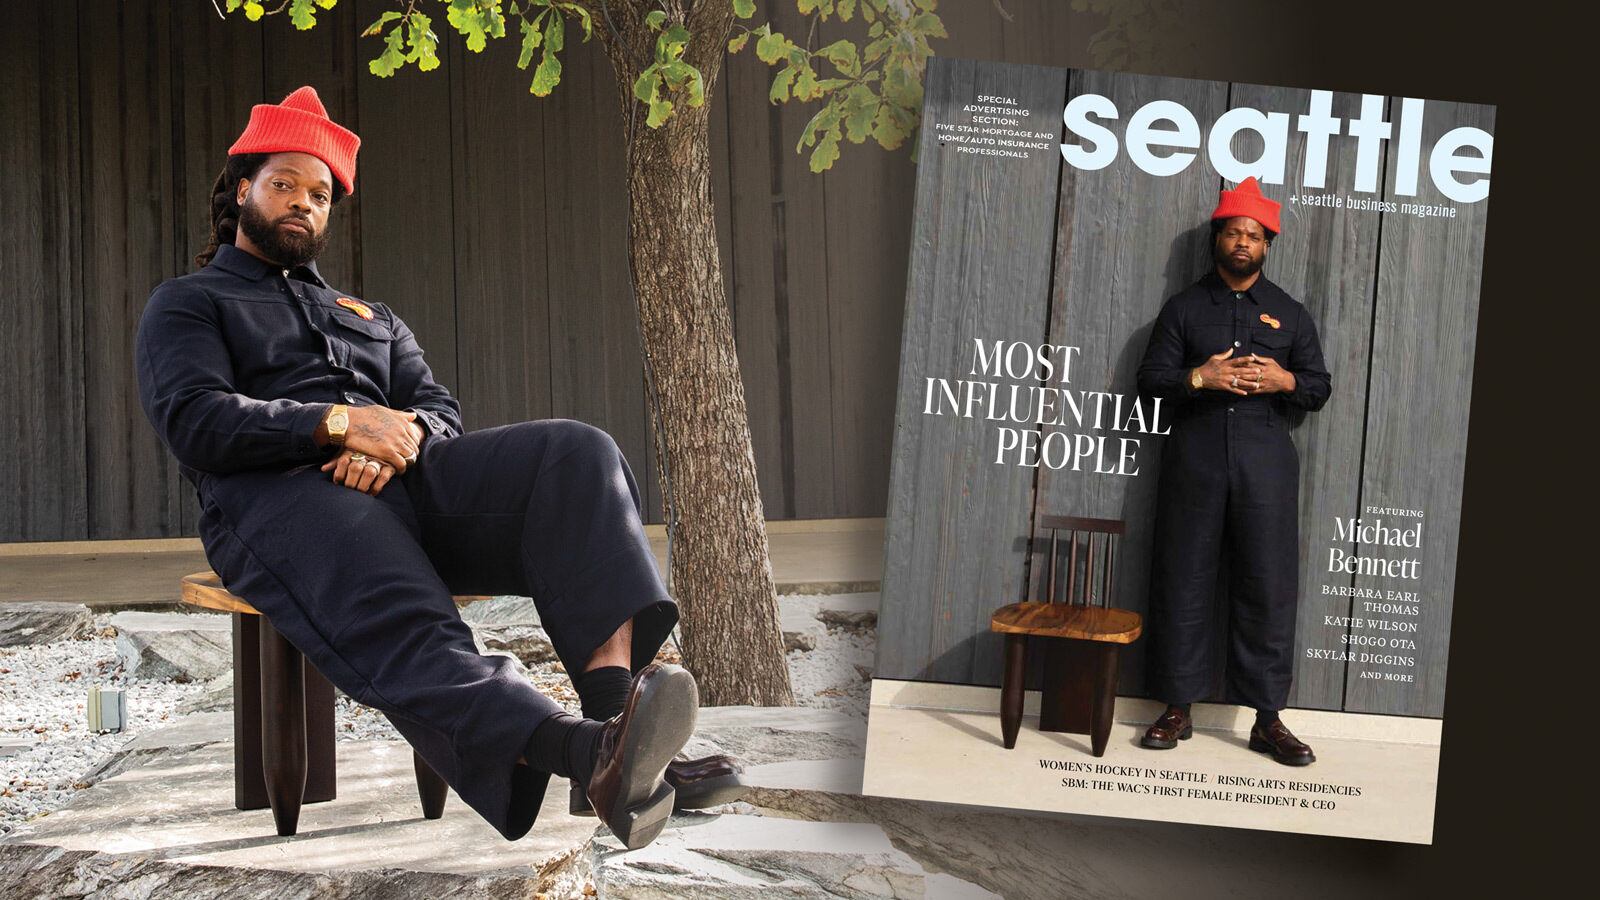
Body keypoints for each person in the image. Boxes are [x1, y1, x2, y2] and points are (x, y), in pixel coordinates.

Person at [134, 86, 743, 849]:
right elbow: (195, 420)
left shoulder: (371, 318)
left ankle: (617, 729)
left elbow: (437, 410)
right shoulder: (189, 303)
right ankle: (588, 756)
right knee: (404, 611)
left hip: (407, 481)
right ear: (242, 192)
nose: (301, 203)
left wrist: (400, 439)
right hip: (277, 501)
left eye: (319, 194)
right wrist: (342, 425)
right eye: (283, 183)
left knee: (577, 454)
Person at [1134, 177, 1332, 766]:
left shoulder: (1291, 313)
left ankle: (1267, 720)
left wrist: (1285, 380)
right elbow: (1150, 381)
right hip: (1194, 460)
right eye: (1233, 232)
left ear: (1267, 244)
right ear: (1217, 239)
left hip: (1267, 462)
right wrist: (1201, 378)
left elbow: (1319, 387)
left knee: (1267, 585)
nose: (1243, 242)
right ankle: (1177, 706)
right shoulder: (1185, 308)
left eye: (1254, 234)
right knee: (1184, 579)